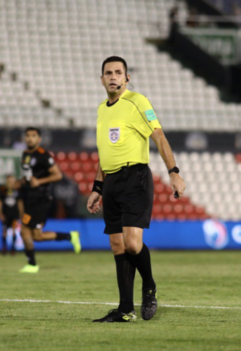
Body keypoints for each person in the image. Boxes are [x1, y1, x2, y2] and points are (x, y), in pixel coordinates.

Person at [88, 56, 186, 323]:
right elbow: (105, 153)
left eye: (118, 72)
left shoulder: (138, 102)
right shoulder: (101, 109)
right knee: (117, 245)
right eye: (108, 73)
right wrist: (97, 186)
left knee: (132, 243)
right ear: (101, 79)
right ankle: (124, 309)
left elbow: (159, 136)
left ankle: (150, 286)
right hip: (111, 182)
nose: (113, 77)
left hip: (135, 178)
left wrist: (173, 172)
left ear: (126, 78)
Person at [18, 127, 81, 273]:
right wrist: (21, 182)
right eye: (27, 135)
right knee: (37, 236)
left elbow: (58, 175)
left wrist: (39, 182)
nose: (30, 138)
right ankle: (70, 236)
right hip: (30, 198)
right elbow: (29, 175)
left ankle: (32, 265)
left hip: (41, 199)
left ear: (39, 139)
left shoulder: (43, 155)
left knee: (24, 231)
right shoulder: (25, 154)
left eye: (33, 136)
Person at [0, 174, 20, 255]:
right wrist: (0, 214)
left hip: (14, 215)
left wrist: (21, 213)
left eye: (11, 181)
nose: (10, 182)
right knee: (4, 231)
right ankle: (4, 247)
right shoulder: (3, 191)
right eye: (8, 181)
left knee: (14, 230)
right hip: (5, 215)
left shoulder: (17, 192)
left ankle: (13, 248)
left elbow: (19, 203)